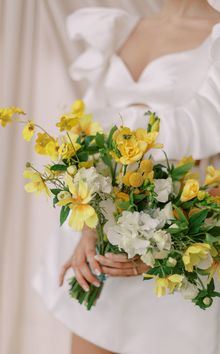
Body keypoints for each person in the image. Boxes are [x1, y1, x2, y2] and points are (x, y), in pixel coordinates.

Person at [33, 1, 220, 353]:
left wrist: (162, 248)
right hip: (100, 244)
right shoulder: (120, 28)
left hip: (176, 247)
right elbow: (93, 137)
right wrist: (90, 227)